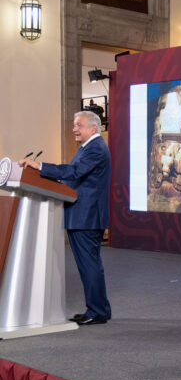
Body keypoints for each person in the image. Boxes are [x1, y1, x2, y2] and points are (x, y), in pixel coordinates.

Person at [19, 111, 112, 325]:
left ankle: (97, 311)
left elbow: (74, 171)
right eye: (74, 125)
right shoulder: (88, 147)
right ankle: (98, 309)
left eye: (78, 125)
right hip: (82, 214)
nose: (74, 129)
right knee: (88, 264)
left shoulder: (96, 148)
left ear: (93, 128)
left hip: (86, 216)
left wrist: (40, 167)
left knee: (90, 265)